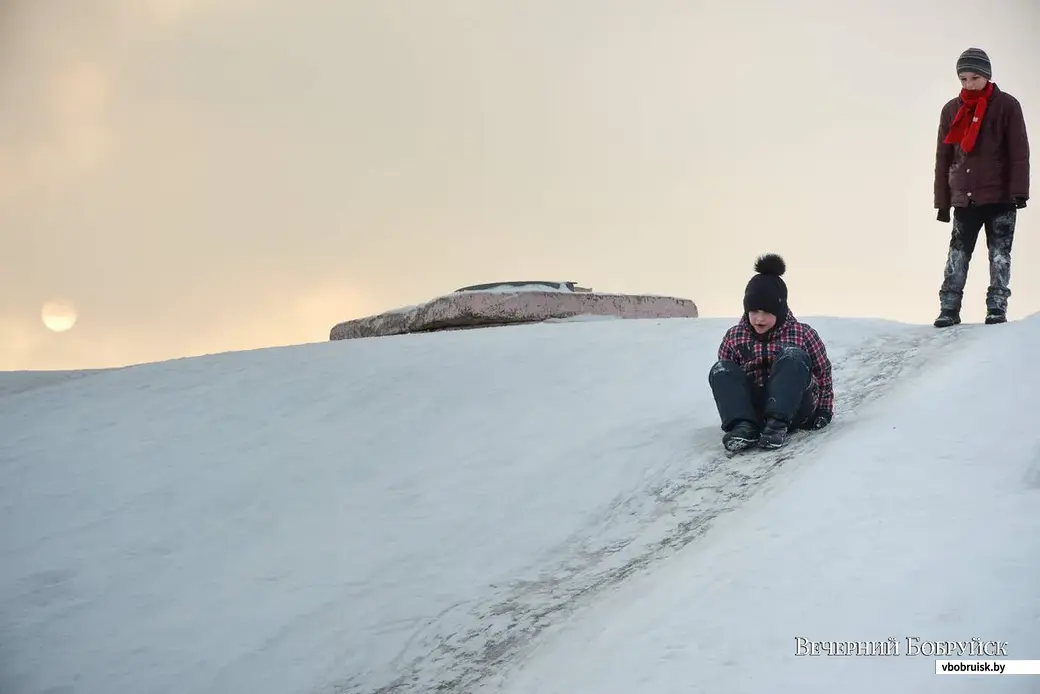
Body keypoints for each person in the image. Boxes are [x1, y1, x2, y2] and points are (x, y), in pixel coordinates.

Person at [933, 47, 1029, 328]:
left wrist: (1019, 193)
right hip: (965, 197)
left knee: (1000, 255)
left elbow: (1019, 151)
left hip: (1000, 196)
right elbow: (943, 157)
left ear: (987, 76)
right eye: (963, 79)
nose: (969, 84)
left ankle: (997, 307)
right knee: (957, 253)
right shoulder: (952, 110)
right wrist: (942, 201)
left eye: (974, 78)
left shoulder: (1007, 106)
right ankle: (949, 307)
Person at [707, 253, 834, 451]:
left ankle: (777, 425)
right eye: (754, 312)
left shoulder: (803, 334)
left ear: (781, 311)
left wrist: (824, 412)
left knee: (793, 356)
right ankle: (743, 427)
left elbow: (823, 374)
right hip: (755, 410)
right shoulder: (734, 337)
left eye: (767, 313)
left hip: (795, 408)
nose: (759, 319)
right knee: (722, 369)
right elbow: (730, 385)